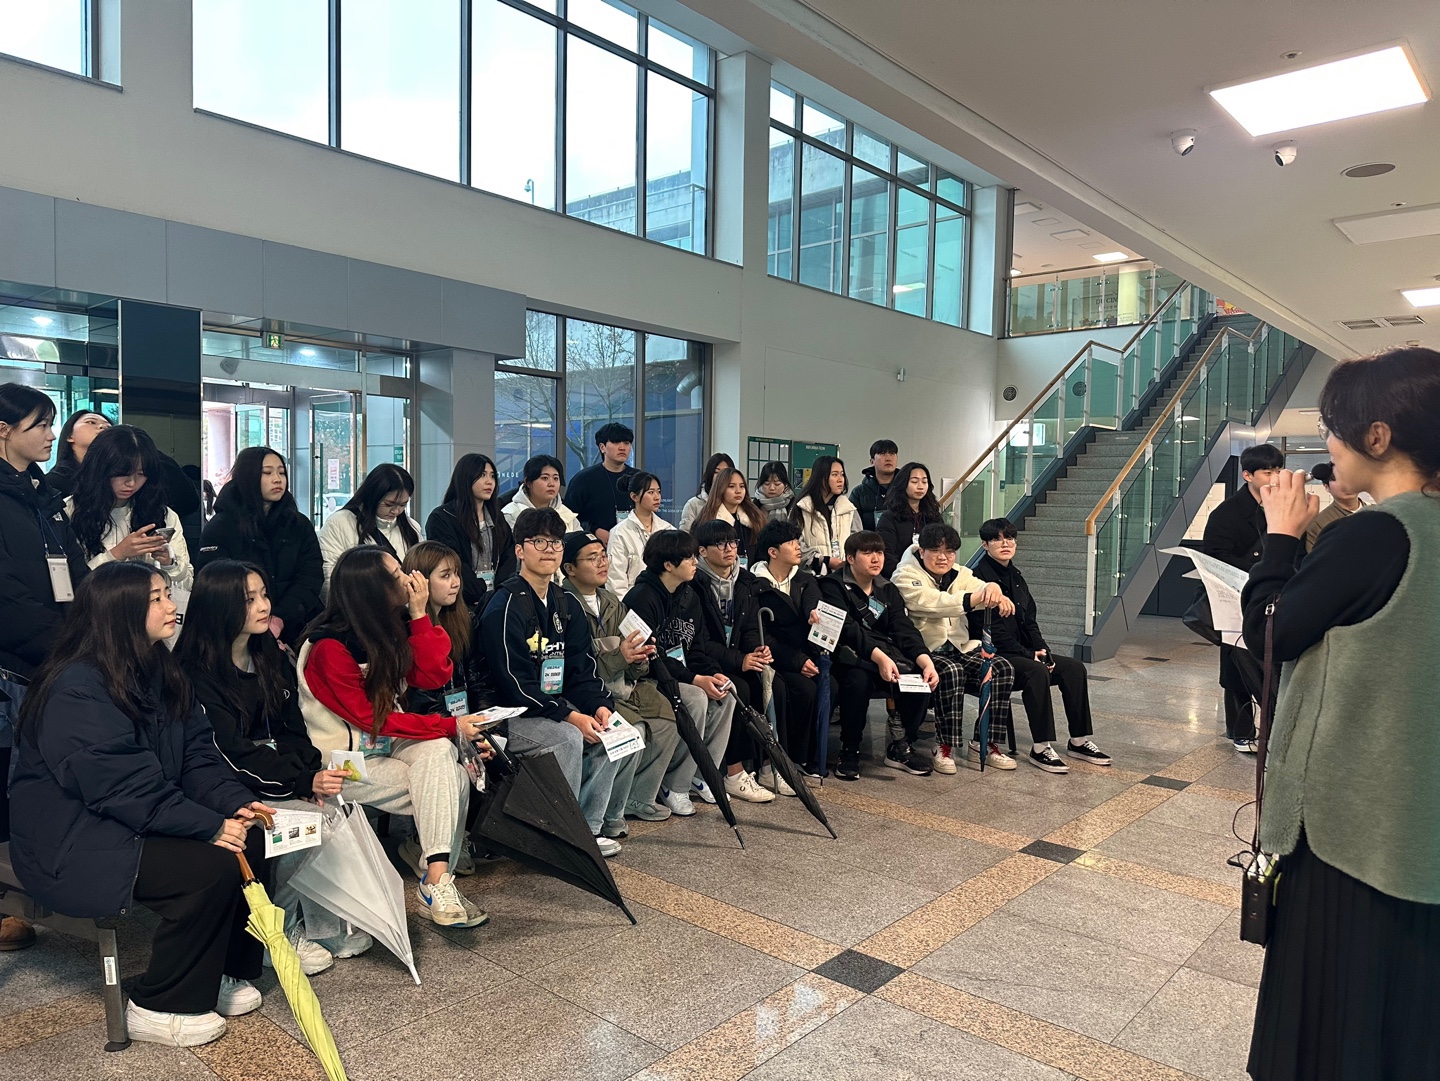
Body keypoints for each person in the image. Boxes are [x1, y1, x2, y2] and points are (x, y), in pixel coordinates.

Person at [1240, 347, 1440, 1080]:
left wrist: (1280, 537)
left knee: (1331, 1026)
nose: (1328, 442)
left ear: (1377, 436)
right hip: (1417, 819)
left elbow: (1271, 631)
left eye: (1334, 427)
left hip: (1349, 827)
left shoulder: (1381, 532)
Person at [9, 562, 274, 1046]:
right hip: (73, 838)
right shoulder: (76, 685)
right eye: (156, 598)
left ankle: (220, 971)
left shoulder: (161, 668)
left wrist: (237, 804)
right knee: (209, 867)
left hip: (131, 816)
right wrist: (207, 825)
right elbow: (118, 785)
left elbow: (197, 756)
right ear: (120, 612)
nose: (172, 606)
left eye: (167, 594)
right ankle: (159, 1004)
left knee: (251, 840)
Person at [176, 560, 364, 975]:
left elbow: (293, 727)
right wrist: (301, 780)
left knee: (332, 812)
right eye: (249, 599)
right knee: (311, 826)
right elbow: (231, 753)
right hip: (226, 789)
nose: (264, 606)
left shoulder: (268, 655)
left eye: (263, 594)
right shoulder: (195, 674)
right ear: (220, 606)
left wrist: (309, 777)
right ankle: (277, 930)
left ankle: (316, 925)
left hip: (274, 776)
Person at [297, 546, 489, 926]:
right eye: (397, 574)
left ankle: (436, 878)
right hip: (344, 762)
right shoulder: (328, 647)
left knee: (439, 753)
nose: (408, 578)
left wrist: (419, 616)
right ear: (374, 589)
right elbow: (373, 720)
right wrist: (451, 727)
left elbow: (434, 675)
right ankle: (436, 881)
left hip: (389, 745)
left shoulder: (389, 627)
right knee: (451, 778)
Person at [480, 509, 627, 855]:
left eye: (556, 542)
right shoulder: (504, 604)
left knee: (614, 732)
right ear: (520, 550)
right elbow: (514, 685)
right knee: (567, 738)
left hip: (550, 706)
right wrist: (570, 716)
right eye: (539, 542)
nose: (549, 549)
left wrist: (599, 705)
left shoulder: (566, 603)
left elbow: (581, 669)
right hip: (507, 714)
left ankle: (587, 829)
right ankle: (562, 835)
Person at [0, 384, 90, 952]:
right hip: (15, 661)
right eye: (40, 424)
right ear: (3, 430)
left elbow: (74, 570)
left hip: (59, 658)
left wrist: (95, 627)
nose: (50, 435)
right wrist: (63, 644)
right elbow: (6, 595)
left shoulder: (44, 493)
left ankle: (46, 878)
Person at [561, 531, 681, 828]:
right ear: (570, 568)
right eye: (592, 558)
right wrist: (620, 657)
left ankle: (637, 798)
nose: (602, 563)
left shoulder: (611, 601)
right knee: (632, 731)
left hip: (622, 684)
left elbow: (631, 651)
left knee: (668, 717)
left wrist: (639, 658)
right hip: (588, 693)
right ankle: (608, 814)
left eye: (604, 556)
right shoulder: (563, 604)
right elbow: (575, 668)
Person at [972, 519, 1110, 773]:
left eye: (1009, 538)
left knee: (1074, 668)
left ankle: (1078, 741)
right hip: (995, 655)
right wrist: (1029, 655)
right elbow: (991, 631)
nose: (1005, 543)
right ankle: (1040, 747)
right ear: (985, 545)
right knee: (1036, 672)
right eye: (997, 539)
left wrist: (1043, 651)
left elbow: (1029, 621)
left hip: (1022, 652)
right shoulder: (978, 579)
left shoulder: (1016, 577)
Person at [621, 529, 736, 817]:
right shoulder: (641, 598)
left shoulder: (689, 595)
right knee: (695, 698)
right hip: (648, 677)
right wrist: (695, 679)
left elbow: (696, 648)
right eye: (689, 558)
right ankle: (675, 784)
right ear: (669, 565)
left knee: (727, 693)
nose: (696, 562)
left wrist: (713, 674)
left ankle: (703, 774)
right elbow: (651, 656)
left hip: (680, 672)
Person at [892, 523, 1018, 772]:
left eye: (949, 552)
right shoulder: (904, 575)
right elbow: (931, 603)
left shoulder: (960, 573)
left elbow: (981, 586)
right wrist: (976, 598)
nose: (943, 557)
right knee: (951, 671)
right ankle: (944, 745)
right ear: (921, 551)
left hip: (959, 647)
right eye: (936, 551)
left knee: (1001, 668)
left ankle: (984, 742)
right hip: (924, 651)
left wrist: (994, 589)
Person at [819, 531, 944, 780]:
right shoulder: (832, 586)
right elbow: (847, 630)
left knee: (921, 679)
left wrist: (925, 660)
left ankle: (902, 745)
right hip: (848, 657)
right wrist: (879, 658)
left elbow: (903, 629)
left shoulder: (887, 589)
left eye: (879, 552)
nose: (876, 559)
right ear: (850, 558)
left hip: (885, 657)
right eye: (867, 553)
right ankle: (850, 749)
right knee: (857, 681)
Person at [690, 518, 792, 801]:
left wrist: (757, 650)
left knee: (775, 685)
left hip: (737, 655)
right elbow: (700, 641)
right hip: (707, 661)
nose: (729, 549)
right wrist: (740, 660)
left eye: (733, 542)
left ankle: (769, 766)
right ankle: (734, 773)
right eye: (720, 544)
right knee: (740, 690)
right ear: (702, 551)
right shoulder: (694, 584)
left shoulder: (744, 580)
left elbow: (748, 626)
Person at [196, 447, 324, 650]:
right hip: (240, 629)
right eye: (267, 473)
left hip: (298, 624)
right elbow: (214, 582)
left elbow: (311, 575)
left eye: (281, 472)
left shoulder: (297, 524)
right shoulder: (221, 526)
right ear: (249, 476)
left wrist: (280, 617)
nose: (277, 479)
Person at [1202, 443, 1283, 753]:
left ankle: (1273, 729)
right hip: (1235, 599)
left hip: (1274, 596)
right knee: (1236, 663)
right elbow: (1215, 556)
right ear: (1248, 475)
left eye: (1278, 470)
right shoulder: (1227, 513)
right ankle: (1241, 731)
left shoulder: (1282, 507)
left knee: (1272, 665)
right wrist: (1256, 571)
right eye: (1268, 472)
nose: (1275, 477)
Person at [65, 424, 193, 591]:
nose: (131, 483)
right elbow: (68, 585)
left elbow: (188, 585)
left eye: (141, 474)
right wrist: (117, 554)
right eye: (122, 473)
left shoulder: (162, 514)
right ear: (100, 468)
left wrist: (169, 563)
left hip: (149, 605)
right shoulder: (68, 511)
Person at [749, 520, 825, 772]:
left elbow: (813, 601)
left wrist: (812, 611)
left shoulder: (804, 579)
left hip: (805, 653)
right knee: (804, 689)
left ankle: (815, 754)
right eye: (791, 543)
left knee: (831, 685)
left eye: (797, 541)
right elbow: (761, 635)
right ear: (773, 552)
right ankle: (793, 757)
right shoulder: (755, 585)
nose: (798, 547)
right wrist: (797, 661)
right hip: (776, 657)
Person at [424, 453, 516, 608]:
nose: (489, 481)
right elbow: (451, 561)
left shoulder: (497, 517)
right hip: (458, 602)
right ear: (465, 478)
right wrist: (479, 592)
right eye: (482, 475)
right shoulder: (442, 518)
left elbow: (508, 556)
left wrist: (499, 592)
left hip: (495, 601)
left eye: (492, 476)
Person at [318, 463, 422, 585]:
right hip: (358, 597)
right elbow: (330, 578)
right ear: (372, 496)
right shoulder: (339, 523)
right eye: (389, 504)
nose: (396, 511)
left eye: (403, 505)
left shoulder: (412, 527)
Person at [562, 422, 637, 543]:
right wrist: (594, 530)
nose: (622, 447)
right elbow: (568, 518)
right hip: (595, 545)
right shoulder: (584, 479)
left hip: (634, 543)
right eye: (616, 442)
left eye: (626, 443)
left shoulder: (639, 478)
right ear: (602, 447)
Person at [606, 471, 673, 598]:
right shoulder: (620, 532)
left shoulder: (668, 529)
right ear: (634, 497)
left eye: (658, 492)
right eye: (651, 492)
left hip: (664, 600)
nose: (657, 497)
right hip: (633, 601)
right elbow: (615, 580)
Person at [790, 455, 860, 575]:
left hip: (844, 574)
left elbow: (858, 541)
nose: (840, 479)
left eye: (842, 474)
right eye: (834, 474)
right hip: (810, 575)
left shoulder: (848, 509)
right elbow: (794, 544)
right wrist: (825, 560)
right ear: (820, 477)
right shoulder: (802, 508)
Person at [875, 461, 943, 577]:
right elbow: (887, 555)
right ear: (903, 484)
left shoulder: (933, 516)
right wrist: (906, 575)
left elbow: (942, 548)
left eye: (924, 482)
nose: (920, 486)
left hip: (931, 575)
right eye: (914, 482)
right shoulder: (889, 517)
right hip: (901, 576)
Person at [694, 467, 765, 565]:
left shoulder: (755, 517)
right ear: (720, 489)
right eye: (731, 486)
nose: (738, 491)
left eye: (742, 486)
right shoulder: (707, 519)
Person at [502, 454, 579, 537]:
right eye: (545, 478)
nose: (551, 484)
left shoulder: (566, 513)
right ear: (528, 482)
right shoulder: (510, 514)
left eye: (555, 478)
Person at [42, 408, 111, 496]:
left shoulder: (115, 480)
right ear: (70, 436)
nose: (102, 427)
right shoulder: (52, 484)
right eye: (91, 422)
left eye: (108, 427)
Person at [1303, 461, 1363, 553]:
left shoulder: (1377, 511)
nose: (1346, 485)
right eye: (1337, 480)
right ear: (1326, 487)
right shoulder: (1319, 523)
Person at [678, 452, 736, 533]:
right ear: (710, 474)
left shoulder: (738, 503)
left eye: (725, 472)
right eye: (717, 472)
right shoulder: (694, 505)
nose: (721, 476)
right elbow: (685, 537)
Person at [850, 439, 899, 531]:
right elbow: (853, 526)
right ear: (872, 461)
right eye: (882, 454)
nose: (888, 458)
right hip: (870, 540)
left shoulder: (905, 489)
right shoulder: (859, 493)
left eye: (892, 454)